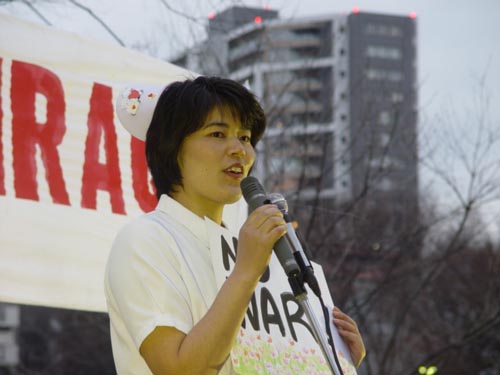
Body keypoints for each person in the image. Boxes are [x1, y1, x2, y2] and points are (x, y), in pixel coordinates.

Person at [104, 76, 365, 374]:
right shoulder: (145, 240)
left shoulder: (247, 249)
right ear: (172, 147)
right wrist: (245, 272)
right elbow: (179, 369)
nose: (239, 150)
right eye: (217, 134)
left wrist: (331, 362)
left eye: (244, 137)